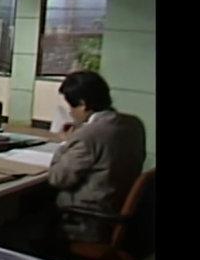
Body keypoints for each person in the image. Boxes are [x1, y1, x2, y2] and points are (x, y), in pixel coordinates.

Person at [48, 70, 146, 243]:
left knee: (20, 222)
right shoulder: (134, 124)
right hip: (119, 210)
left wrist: (65, 144)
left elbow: (58, 178)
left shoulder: (89, 134)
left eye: (71, 107)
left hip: (87, 220)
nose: (70, 112)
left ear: (83, 104)